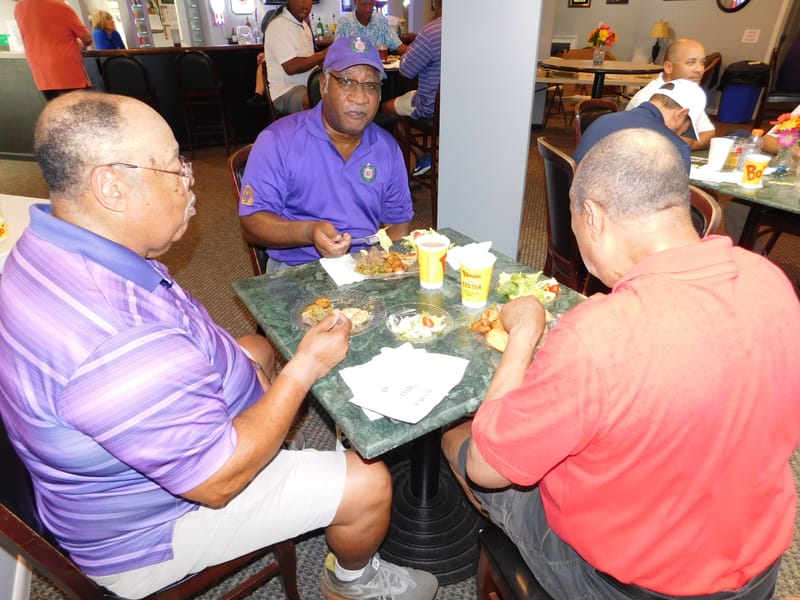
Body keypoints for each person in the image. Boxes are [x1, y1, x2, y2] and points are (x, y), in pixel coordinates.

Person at [0, 90, 437, 600]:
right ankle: (351, 581)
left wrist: (258, 375)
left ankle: (278, 450)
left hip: (117, 468)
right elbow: (217, 480)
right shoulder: (116, 341)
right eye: (173, 168)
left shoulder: (45, 244)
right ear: (111, 186)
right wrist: (304, 367)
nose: (190, 182)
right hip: (154, 528)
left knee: (256, 348)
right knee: (370, 481)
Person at [442, 128, 800, 600]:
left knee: (459, 439)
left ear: (591, 216)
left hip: (626, 585)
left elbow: (487, 469)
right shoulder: (770, 279)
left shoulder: (598, 335)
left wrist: (524, 335)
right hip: (757, 566)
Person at [239, 35, 413, 271]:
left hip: (365, 266)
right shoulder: (278, 140)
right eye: (347, 82)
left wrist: (379, 266)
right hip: (296, 268)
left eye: (371, 86)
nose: (360, 98)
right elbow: (251, 223)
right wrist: (308, 231)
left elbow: (399, 224)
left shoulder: (387, 148)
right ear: (324, 86)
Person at [574, 79, 707, 171]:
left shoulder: (602, 121)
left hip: (574, 200)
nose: (681, 134)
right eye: (686, 129)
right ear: (682, 114)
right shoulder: (675, 148)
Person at [381, 0, 441, 177]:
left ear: (435, 3)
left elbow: (406, 71)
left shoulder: (432, 31)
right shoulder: (470, 28)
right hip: (459, 105)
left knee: (386, 108)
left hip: (431, 106)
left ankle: (419, 157)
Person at [626, 38, 715, 150]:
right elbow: (654, 148)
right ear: (668, 67)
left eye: (702, 62)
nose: (699, 69)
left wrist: (684, 144)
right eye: (691, 62)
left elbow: (708, 134)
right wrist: (684, 143)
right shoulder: (649, 99)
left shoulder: (691, 94)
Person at [14, 0, 94, 100]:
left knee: (56, 107)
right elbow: (87, 38)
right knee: (80, 107)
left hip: (41, 72)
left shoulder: (19, 8)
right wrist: (82, 44)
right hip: (66, 70)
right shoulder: (59, 6)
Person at [263, 0, 327, 114]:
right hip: (285, 91)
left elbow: (309, 61)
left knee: (337, 92)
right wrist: (324, 54)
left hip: (308, 84)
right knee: (315, 99)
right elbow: (291, 67)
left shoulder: (304, 26)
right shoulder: (278, 26)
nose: (305, 3)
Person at [335, 0, 408, 55]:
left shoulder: (381, 21)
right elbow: (336, 51)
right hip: (353, 70)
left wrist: (414, 54)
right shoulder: (344, 23)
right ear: (355, 1)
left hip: (378, 69)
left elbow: (398, 45)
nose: (368, 8)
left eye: (371, 3)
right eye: (364, 4)